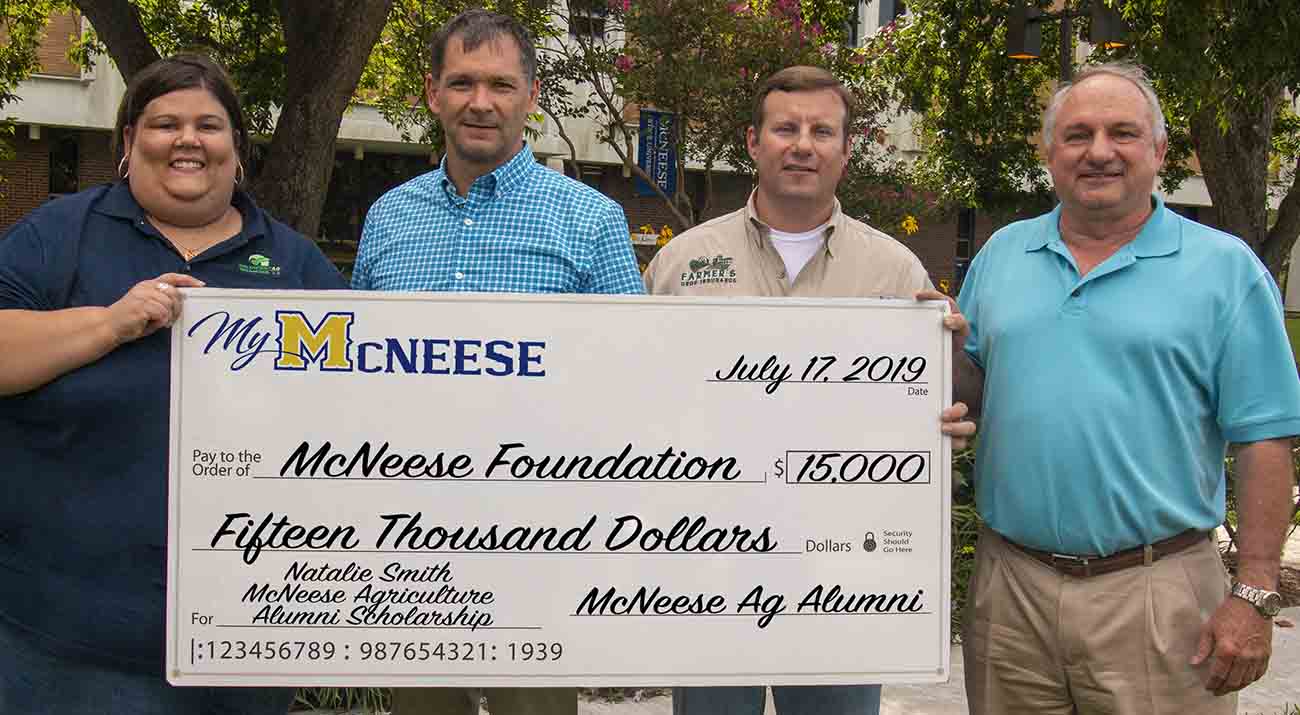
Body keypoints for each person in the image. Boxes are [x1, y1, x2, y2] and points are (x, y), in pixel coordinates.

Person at [0, 54, 346, 714]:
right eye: (164, 123)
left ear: (236, 150)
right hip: (69, 640)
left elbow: (360, 409)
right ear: (129, 142)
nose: (188, 139)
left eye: (209, 125)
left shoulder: (296, 264)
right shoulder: (58, 234)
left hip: (246, 638)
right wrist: (109, 323)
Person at [955, 62, 1300, 714]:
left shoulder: (1226, 272)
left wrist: (1254, 591)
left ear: (1159, 151)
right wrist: (903, 354)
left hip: (1157, 593)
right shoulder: (1001, 255)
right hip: (1011, 588)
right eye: (1078, 134)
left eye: (1123, 133)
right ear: (1050, 151)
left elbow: (1265, 439)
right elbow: (966, 387)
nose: (1100, 152)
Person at [644, 65, 975, 715]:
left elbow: (934, 410)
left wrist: (950, 381)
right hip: (709, 567)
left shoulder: (898, 271)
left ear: (846, 151)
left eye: (822, 130)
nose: (803, 144)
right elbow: (636, 402)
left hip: (844, 573)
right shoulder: (680, 263)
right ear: (752, 142)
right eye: (785, 127)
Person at [350, 10, 642, 715]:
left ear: (531, 96)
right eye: (463, 82)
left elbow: (636, 379)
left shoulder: (591, 220)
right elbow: (352, 375)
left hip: (538, 536)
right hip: (408, 536)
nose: (481, 101)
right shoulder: (387, 217)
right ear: (432, 92)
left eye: (501, 84)